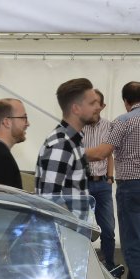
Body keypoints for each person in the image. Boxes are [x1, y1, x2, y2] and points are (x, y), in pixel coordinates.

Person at [86, 81, 140, 279]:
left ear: (126, 101)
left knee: (133, 247)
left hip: (132, 187)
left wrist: (72, 152)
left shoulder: (123, 121)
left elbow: (102, 152)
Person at [34, 77, 99, 218]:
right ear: (76, 108)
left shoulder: (72, 141)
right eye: (92, 103)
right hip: (66, 230)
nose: (98, 107)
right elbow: (50, 199)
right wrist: (73, 226)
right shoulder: (61, 144)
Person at [79, 87, 119, 273]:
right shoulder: (78, 128)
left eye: (97, 103)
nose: (93, 107)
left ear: (103, 106)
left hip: (103, 184)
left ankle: (109, 267)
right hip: (83, 184)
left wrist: (110, 177)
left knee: (108, 229)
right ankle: (82, 267)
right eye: (90, 103)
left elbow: (109, 154)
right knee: (82, 227)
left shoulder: (109, 126)